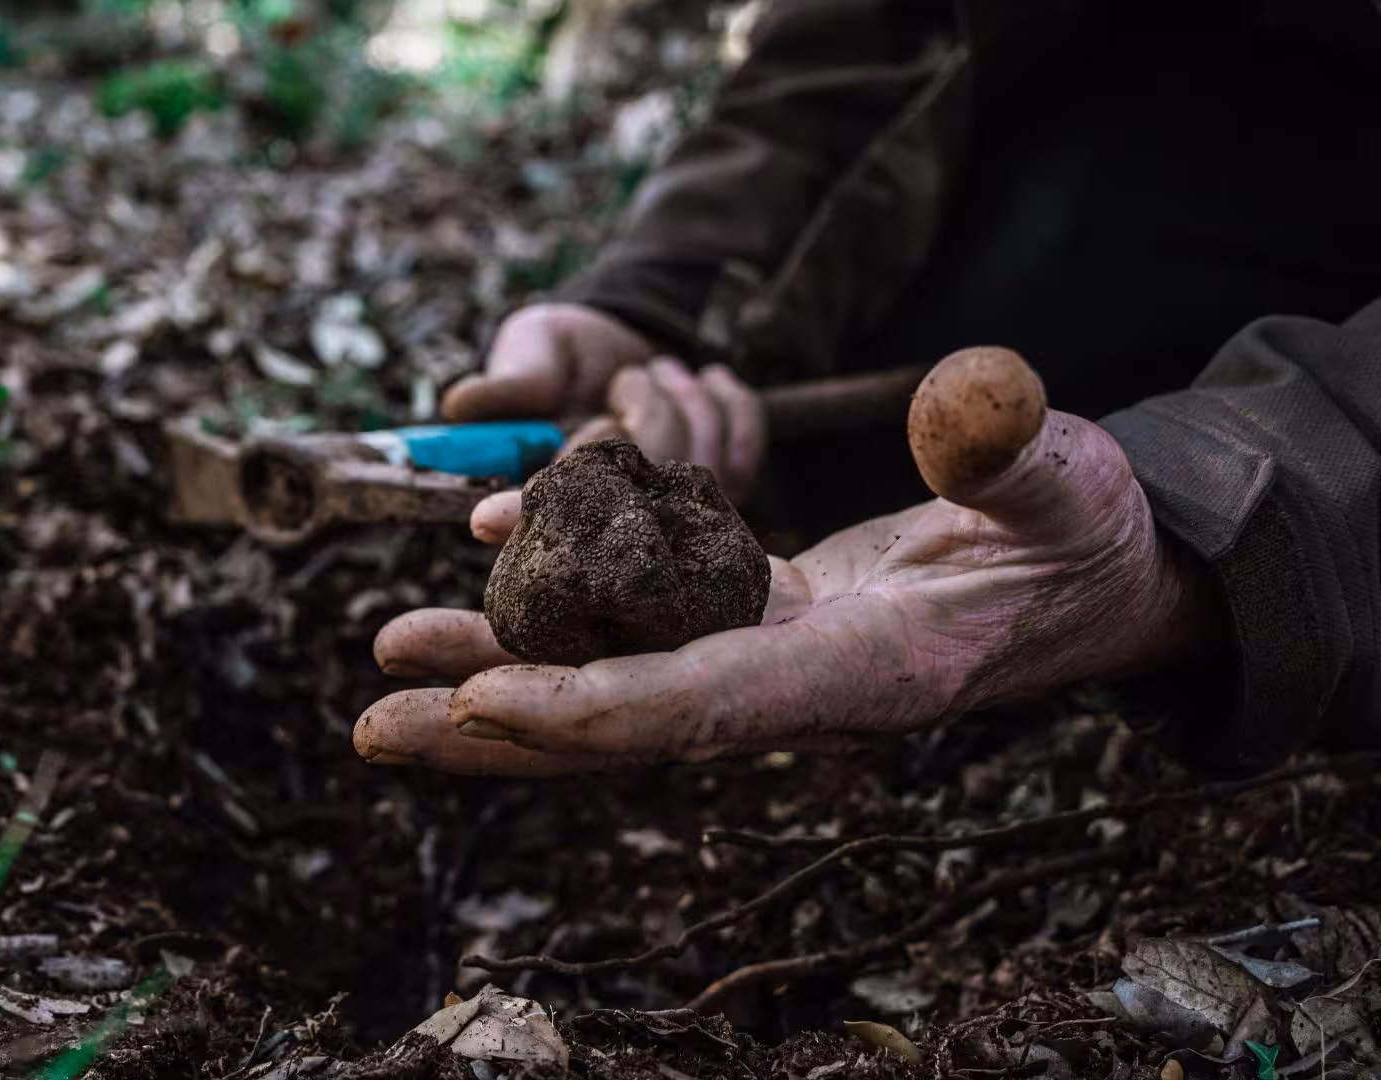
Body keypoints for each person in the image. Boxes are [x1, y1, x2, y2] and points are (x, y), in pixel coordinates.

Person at [350, 0, 1381, 777]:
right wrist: (665, 295)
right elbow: (871, 31)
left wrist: (1244, 520)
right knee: (880, 464)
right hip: (1150, 93)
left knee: (1238, 553)